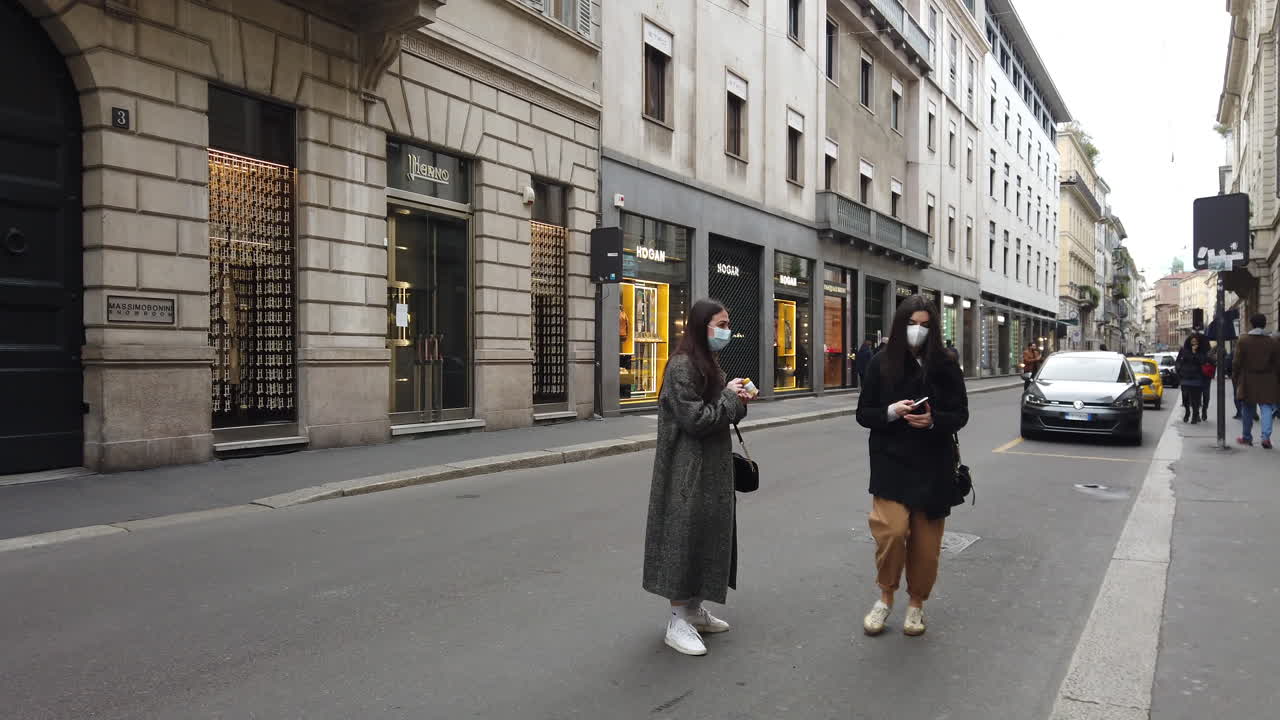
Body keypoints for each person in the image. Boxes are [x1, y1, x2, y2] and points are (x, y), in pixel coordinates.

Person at [855, 295, 969, 638]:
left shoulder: (946, 364)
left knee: (926, 547)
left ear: (932, 329)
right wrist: (892, 412)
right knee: (890, 531)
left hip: (934, 465)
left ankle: (917, 604)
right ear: (899, 325)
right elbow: (864, 413)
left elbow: (961, 414)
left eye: (924, 325)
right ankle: (885, 597)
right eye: (911, 324)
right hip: (892, 462)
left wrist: (935, 420)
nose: (917, 331)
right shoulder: (880, 363)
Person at [643, 298, 752, 656]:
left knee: (709, 534)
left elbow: (714, 407)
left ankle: (694, 610)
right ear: (700, 326)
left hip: (711, 471)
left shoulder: (708, 363)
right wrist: (732, 401)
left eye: (727, 324)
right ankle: (677, 620)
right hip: (686, 473)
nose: (726, 331)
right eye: (720, 324)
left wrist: (730, 393)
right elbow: (697, 419)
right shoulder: (681, 366)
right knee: (683, 538)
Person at [1232, 314, 1280, 449]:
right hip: (1268, 379)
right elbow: (1278, 363)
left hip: (1248, 379)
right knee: (1266, 409)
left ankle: (1247, 437)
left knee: (1247, 408)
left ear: (1251, 324)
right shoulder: (1273, 342)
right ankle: (1266, 438)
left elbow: (1236, 362)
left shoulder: (1243, 340)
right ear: (1264, 324)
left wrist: (1235, 377)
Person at [1176, 333, 1210, 424]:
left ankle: (1195, 415)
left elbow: (1203, 361)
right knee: (1185, 396)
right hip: (1185, 376)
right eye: (1192, 341)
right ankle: (1187, 411)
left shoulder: (1201, 351)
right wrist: (1179, 370)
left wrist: (1195, 353)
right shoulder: (1183, 350)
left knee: (1196, 398)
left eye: (1195, 341)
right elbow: (1178, 361)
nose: (1194, 343)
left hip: (1197, 377)